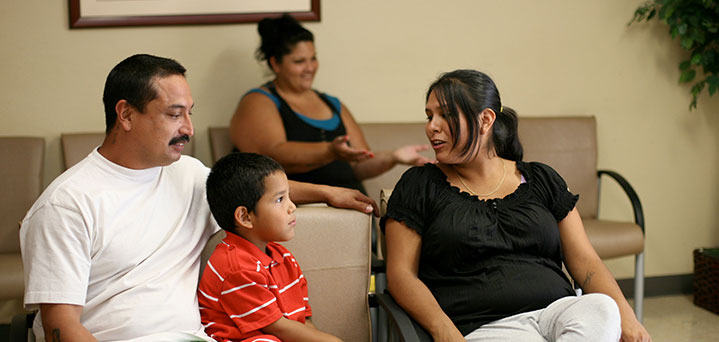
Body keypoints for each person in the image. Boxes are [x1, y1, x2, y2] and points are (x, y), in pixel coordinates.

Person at [19, 54, 376, 342]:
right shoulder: (67, 204)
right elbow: (61, 327)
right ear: (126, 114)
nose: (188, 128)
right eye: (175, 115)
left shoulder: (186, 174)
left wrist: (328, 192)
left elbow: (254, 190)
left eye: (190, 113)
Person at [382, 69, 651, 342]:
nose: (432, 127)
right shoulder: (419, 185)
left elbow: (586, 260)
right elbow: (401, 274)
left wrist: (627, 318)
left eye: (445, 115)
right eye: (429, 116)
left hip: (556, 315)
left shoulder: (542, 178)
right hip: (484, 328)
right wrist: (445, 331)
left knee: (602, 308)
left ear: (485, 119)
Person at [230, 14, 434, 194]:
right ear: (275, 63)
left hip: (353, 210)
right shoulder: (258, 101)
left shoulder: (332, 103)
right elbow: (273, 154)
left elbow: (360, 163)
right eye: (299, 61)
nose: (310, 68)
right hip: (305, 214)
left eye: (313, 58)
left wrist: (393, 156)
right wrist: (330, 151)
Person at [198, 152, 342, 342]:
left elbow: (301, 322)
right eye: (280, 200)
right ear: (245, 217)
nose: (292, 207)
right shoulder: (235, 268)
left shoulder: (284, 257)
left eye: (289, 197)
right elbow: (278, 328)